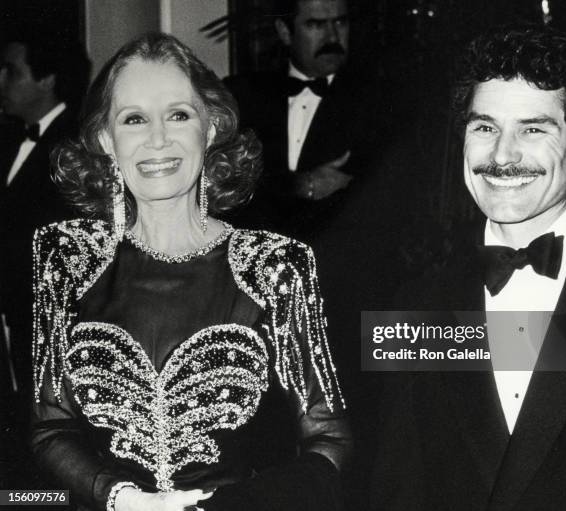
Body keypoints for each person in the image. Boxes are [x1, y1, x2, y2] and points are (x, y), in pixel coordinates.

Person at [31, 32, 350, 511]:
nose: (158, 139)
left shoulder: (275, 266)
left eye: (178, 115)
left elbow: (331, 440)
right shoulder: (68, 257)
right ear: (105, 139)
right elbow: (49, 426)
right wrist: (121, 499)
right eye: (134, 119)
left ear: (212, 127)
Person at [372, 25, 566, 510]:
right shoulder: (413, 306)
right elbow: (396, 487)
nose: (502, 156)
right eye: (485, 127)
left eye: (533, 129)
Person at [0, 28, 90, 488]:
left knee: (52, 444)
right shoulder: (10, 138)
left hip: (51, 325)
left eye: (12, 71)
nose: (1, 79)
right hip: (15, 320)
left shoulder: (74, 147)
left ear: (48, 79)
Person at [225, 0, 381, 240]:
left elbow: (384, 189)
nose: (332, 36)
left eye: (340, 22)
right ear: (285, 32)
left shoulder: (376, 100)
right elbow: (224, 182)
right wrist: (300, 185)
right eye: (315, 24)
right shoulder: (243, 95)